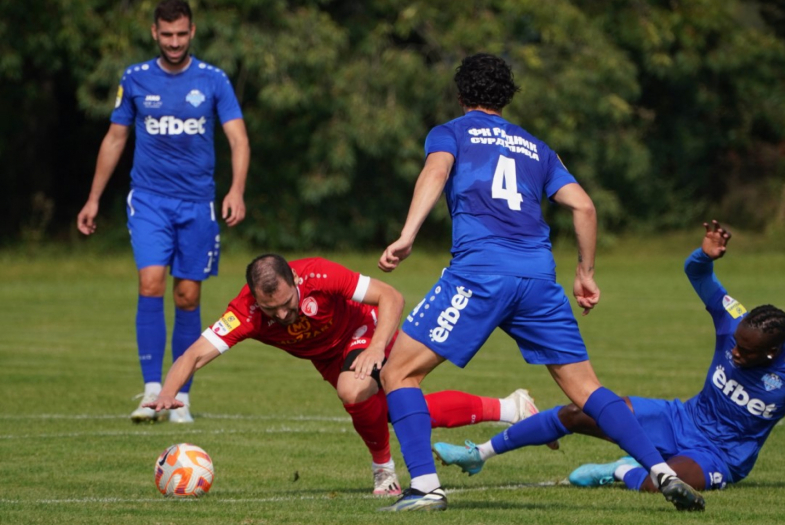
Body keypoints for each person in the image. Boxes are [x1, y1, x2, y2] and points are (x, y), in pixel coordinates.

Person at [375, 53, 705, 512]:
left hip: (481, 272)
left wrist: (407, 235)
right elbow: (585, 206)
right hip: (537, 277)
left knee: (398, 372)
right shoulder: (537, 147)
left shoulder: (449, 131)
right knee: (587, 389)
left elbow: (436, 172)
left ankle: (426, 488)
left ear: (460, 94)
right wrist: (585, 273)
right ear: (506, 97)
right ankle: (661, 470)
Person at [433, 220, 785, 495]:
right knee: (580, 411)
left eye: (746, 351)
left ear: (772, 353)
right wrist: (704, 255)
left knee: (664, 486)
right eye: (734, 344)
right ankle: (480, 454)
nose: (734, 352)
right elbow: (697, 274)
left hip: (720, 456)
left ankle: (618, 470)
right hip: (678, 417)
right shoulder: (731, 319)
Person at [144, 253, 546, 495]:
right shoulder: (246, 312)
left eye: (287, 303)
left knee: (354, 390)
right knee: (393, 409)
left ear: (296, 282)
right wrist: (167, 392)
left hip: (365, 332)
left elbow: (391, 295)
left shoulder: (319, 274)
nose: (283, 316)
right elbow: (194, 354)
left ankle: (384, 470)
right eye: (272, 311)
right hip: (329, 357)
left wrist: (374, 347)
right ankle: (510, 407)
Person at [76, 0, 250, 424]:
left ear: (192, 32)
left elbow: (238, 139)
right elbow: (115, 139)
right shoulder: (135, 79)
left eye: (181, 34)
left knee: (187, 295)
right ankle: (152, 391)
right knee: (151, 283)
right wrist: (93, 198)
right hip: (149, 200)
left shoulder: (213, 80)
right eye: (167, 34)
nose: (174, 42)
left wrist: (237, 191)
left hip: (197, 204)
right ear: (155, 32)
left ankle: (181, 397)